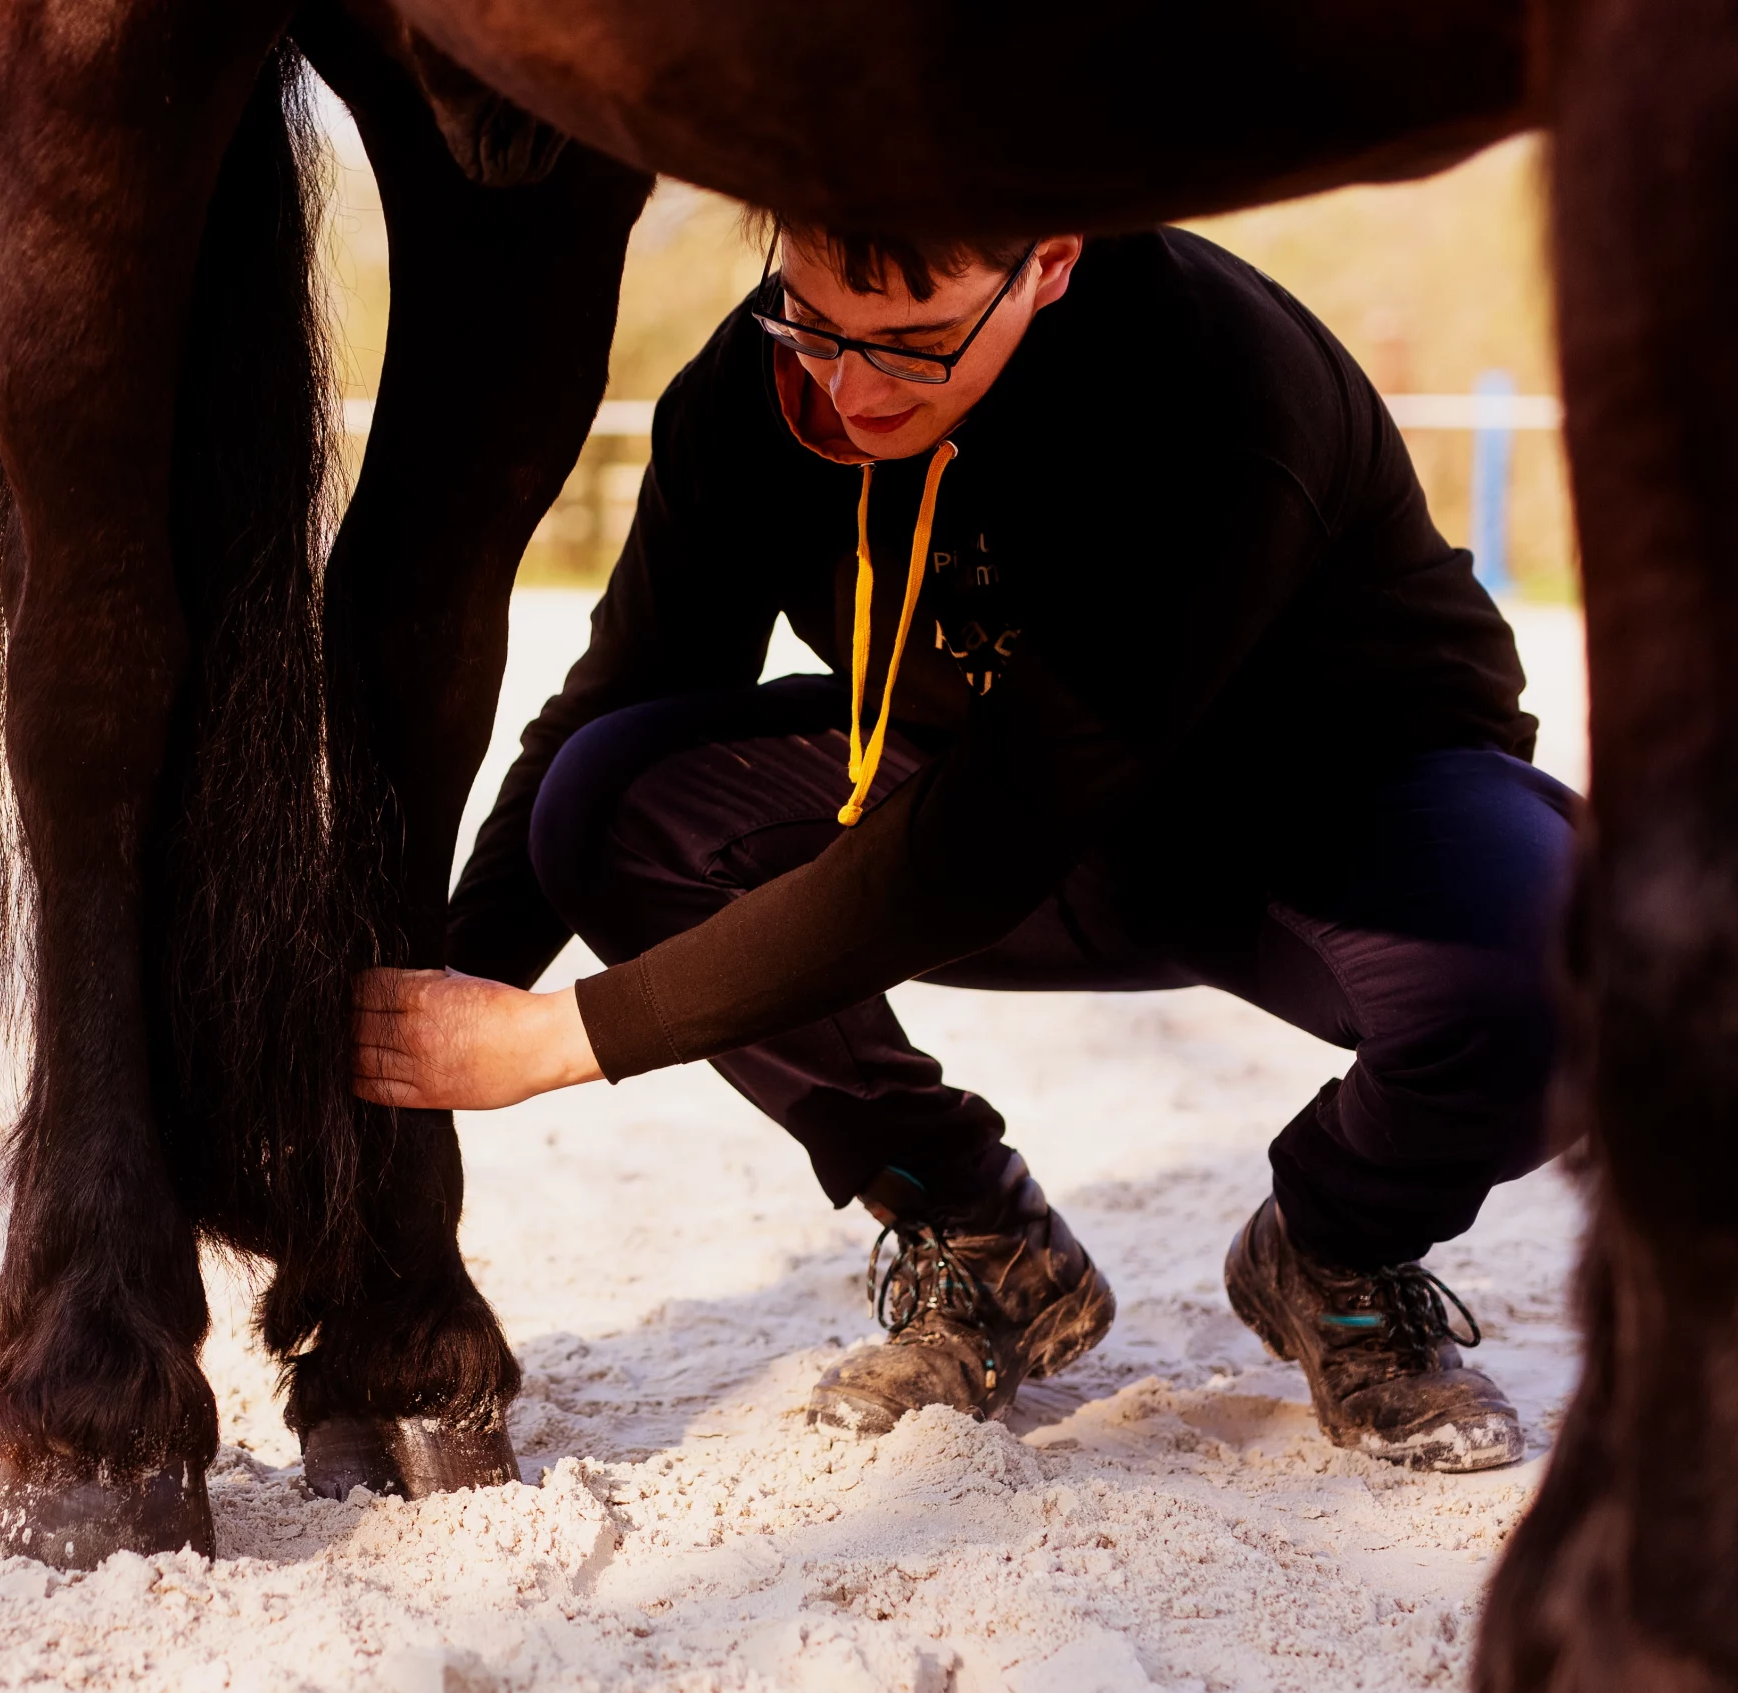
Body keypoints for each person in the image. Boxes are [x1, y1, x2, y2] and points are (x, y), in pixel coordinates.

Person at [353, 216, 1574, 1473]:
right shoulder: (750, 392)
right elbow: (620, 692)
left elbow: (998, 832)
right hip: (990, 803)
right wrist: (441, 996)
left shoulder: (1210, 378)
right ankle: (982, 1243)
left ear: (1048, 259)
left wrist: (565, 1039)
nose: (853, 388)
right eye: (812, 321)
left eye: (914, 344)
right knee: (610, 800)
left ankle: (1337, 1248)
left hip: (1320, 811)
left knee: (1575, 964)